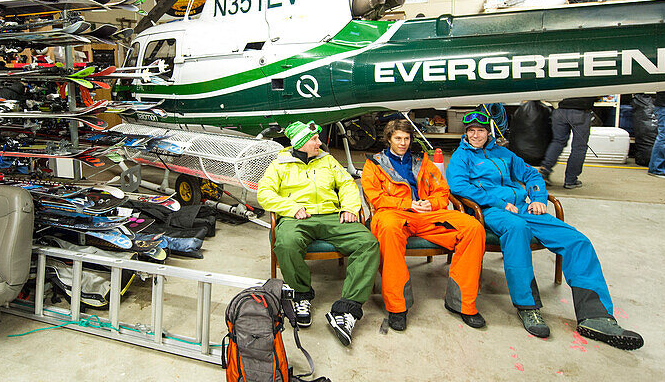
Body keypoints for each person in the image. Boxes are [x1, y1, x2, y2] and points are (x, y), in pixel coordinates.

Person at [446, 110, 643, 350]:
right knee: (517, 230)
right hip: (493, 210)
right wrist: (498, 202)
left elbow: (530, 174)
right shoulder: (461, 157)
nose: (476, 135)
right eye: (471, 131)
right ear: (466, 133)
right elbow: (458, 186)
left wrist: (538, 196)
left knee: (577, 241)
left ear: (489, 132)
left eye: (480, 130)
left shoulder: (503, 153)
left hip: (525, 207)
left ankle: (596, 317)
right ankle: (528, 308)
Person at [258, 120, 380, 347]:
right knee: (286, 243)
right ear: (300, 142)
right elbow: (265, 194)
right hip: (297, 217)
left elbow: (347, 184)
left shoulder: (327, 160)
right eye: (314, 139)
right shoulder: (280, 164)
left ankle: (347, 309)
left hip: (331, 215)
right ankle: (301, 295)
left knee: (368, 243)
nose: (319, 142)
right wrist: (292, 208)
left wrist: (350, 208)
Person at [361, 120, 486, 332]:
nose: (402, 143)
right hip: (395, 214)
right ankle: (397, 307)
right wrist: (408, 204)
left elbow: (442, 191)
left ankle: (462, 303)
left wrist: (431, 203)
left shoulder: (422, 161)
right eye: (398, 138)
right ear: (389, 139)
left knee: (473, 228)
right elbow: (375, 197)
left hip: (428, 214)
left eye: (406, 138)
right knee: (388, 231)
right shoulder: (374, 164)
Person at [540, 96, 599, 189]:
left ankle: (544, 170)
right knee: (579, 147)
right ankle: (570, 180)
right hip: (580, 112)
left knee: (558, 141)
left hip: (560, 110)